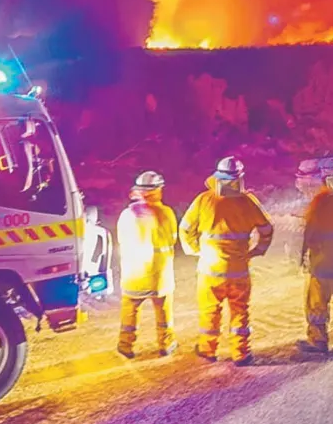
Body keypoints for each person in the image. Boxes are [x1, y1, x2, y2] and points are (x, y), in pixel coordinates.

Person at [179, 155, 274, 366]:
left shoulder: (204, 200)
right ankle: (241, 353)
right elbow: (267, 229)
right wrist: (258, 249)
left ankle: (208, 349)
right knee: (240, 312)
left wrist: (195, 250)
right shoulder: (248, 202)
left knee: (210, 312)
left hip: (210, 271)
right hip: (239, 271)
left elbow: (185, 229)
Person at [116, 171, 179, 358]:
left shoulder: (127, 214)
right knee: (163, 310)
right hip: (159, 274)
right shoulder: (165, 213)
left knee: (130, 309)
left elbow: (121, 238)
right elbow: (172, 238)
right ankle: (166, 344)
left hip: (134, 272)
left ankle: (125, 345)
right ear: (158, 190)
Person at [296, 157, 333, 356]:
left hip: (322, 265)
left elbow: (310, 233)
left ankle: (318, 340)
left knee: (317, 304)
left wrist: (303, 256)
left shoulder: (318, 203)